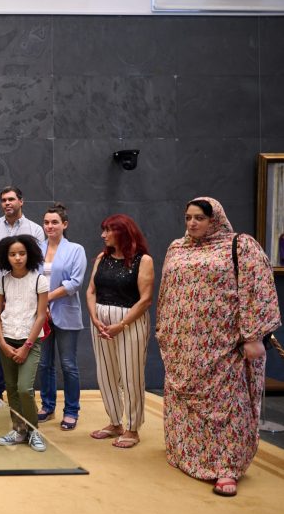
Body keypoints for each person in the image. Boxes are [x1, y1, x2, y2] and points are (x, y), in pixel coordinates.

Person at [157, 197, 281, 497]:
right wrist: (164, 329)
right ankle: (188, 454)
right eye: (188, 217)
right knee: (185, 404)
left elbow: (257, 289)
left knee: (229, 406)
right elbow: (167, 292)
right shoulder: (177, 248)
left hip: (226, 348)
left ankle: (226, 467)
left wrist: (253, 337)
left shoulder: (240, 246)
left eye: (199, 218)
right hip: (185, 346)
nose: (192, 223)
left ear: (215, 219)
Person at [85, 214, 154, 450]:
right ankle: (114, 422)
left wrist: (121, 324)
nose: (103, 235)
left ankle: (132, 428)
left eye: (107, 231)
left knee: (131, 374)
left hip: (129, 321)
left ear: (122, 232)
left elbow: (145, 300)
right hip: (101, 321)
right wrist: (94, 318)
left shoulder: (142, 260)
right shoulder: (102, 258)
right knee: (106, 373)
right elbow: (91, 290)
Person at [0, 187, 45, 399]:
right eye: (3, 200)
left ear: (21, 201)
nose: (7, 203)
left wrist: (20, 291)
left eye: (11, 199)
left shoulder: (34, 229)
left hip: (27, 298)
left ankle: (24, 406)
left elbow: (37, 263)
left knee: (25, 370)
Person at [0, 235, 49, 452]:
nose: (17, 258)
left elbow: (41, 316)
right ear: (6, 257)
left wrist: (26, 346)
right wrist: (1, 342)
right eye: (13, 254)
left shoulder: (39, 280)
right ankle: (19, 429)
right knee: (12, 389)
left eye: (22, 253)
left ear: (30, 255)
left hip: (30, 340)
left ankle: (35, 431)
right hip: (6, 339)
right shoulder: (2, 281)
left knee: (25, 388)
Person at [36, 204, 87, 431]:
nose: (50, 226)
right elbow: (30, 278)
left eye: (54, 222)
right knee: (45, 363)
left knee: (68, 365)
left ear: (64, 224)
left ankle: (71, 411)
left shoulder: (76, 249)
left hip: (65, 312)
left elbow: (74, 283)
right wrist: (40, 305)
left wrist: (46, 299)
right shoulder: (37, 248)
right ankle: (47, 406)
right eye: (46, 222)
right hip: (41, 315)